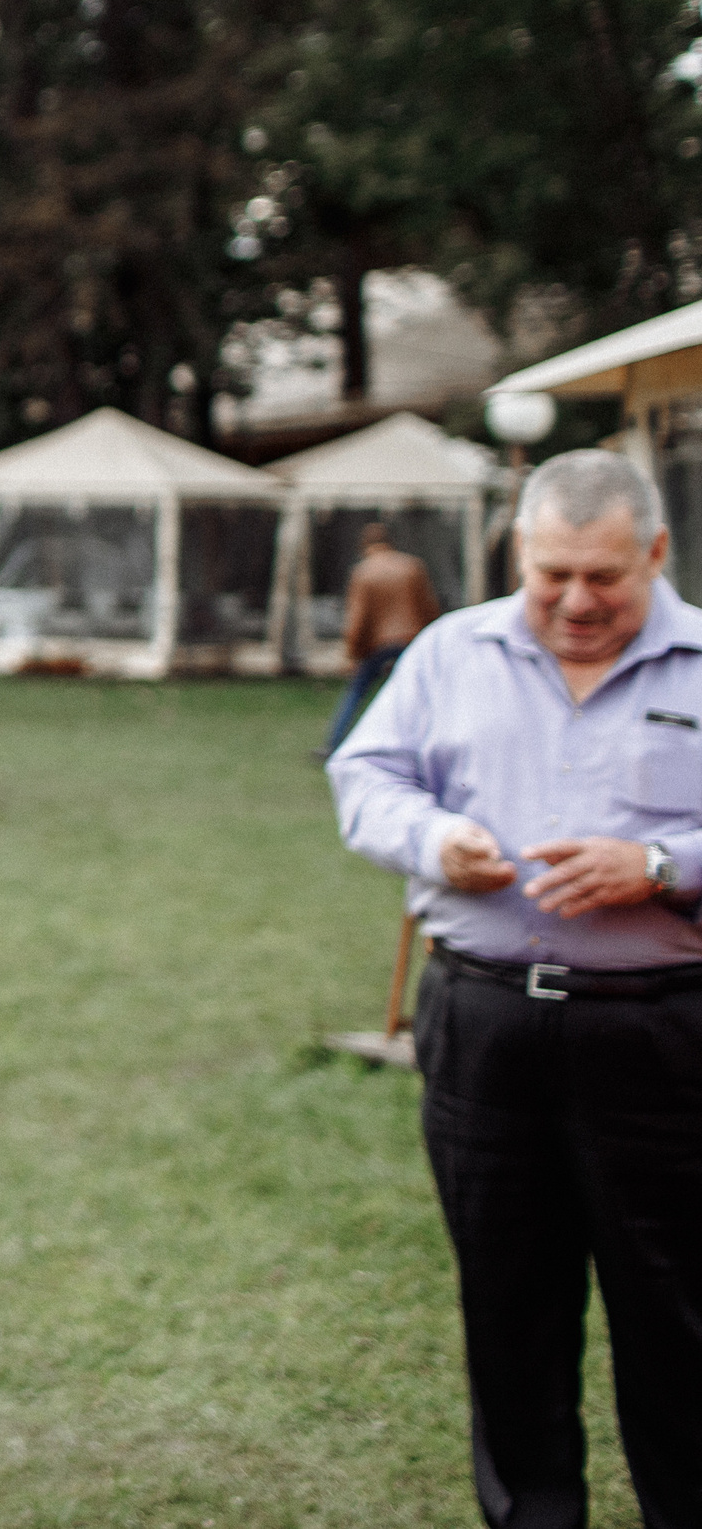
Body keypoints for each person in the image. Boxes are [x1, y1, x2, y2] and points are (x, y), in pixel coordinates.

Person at [330, 448, 702, 1529]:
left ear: (655, 554)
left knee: (676, 1313)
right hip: (484, 1025)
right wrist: (432, 837)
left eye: (603, 577)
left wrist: (665, 866)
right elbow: (366, 776)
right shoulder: (451, 650)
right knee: (508, 1308)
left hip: (663, 1034)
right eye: (551, 576)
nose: (576, 601)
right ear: (518, 556)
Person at [325, 521, 441, 754]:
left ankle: (334, 742)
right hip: (412, 638)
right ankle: (432, 741)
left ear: (363, 545)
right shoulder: (411, 566)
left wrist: (353, 654)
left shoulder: (363, 571)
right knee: (423, 691)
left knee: (357, 690)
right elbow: (429, 607)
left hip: (380, 643)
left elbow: (358, 619)